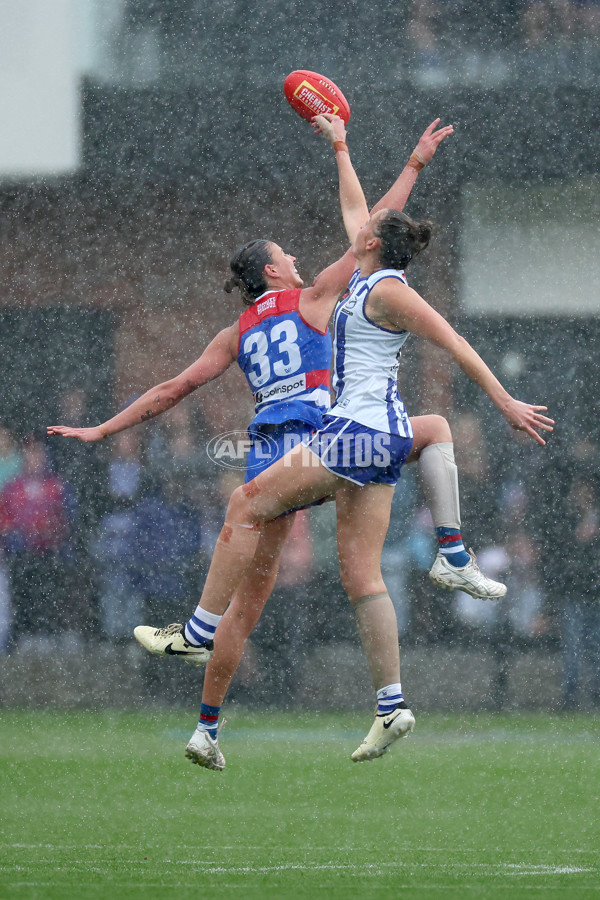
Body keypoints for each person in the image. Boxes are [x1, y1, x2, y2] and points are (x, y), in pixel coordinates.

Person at [130, 112, 553, 766]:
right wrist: (344, 147)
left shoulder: (386, 290)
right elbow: (362, 203)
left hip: (357, 435)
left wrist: (504, 401)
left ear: (376, 246)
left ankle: (197, 632)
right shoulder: (363, 275)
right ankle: (391, 704)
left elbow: (454, 341)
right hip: (375, 445)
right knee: (361, 577)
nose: (359, 226)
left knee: (246, 503)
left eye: (368, 232)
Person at [49, 116, 461, 768]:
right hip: (327, 444)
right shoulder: (315, 298)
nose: (298, 259)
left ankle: (206, 726)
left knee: (248, 600)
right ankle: (404, 652)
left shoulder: (238, 330)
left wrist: (103, 428)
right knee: (367, 551)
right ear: (273, 269)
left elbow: (169, 391)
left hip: (270, 450)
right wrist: (409, 165)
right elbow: (374, 230)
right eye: (288, 255)